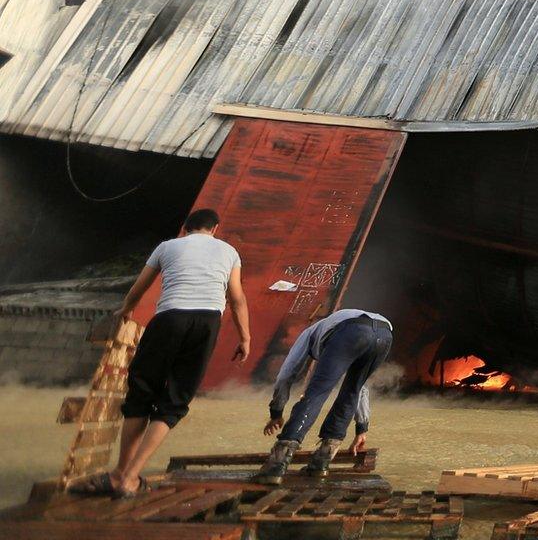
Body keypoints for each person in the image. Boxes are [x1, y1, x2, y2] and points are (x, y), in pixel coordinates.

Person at [92, 209, 250, 497]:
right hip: (207, 323)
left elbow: (139, 288)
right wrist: (245, 338)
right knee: (175, 401)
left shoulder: (167, 247)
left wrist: (125, 311)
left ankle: (120, 474)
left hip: (169, 318)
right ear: (215, 228)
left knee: (141, 393)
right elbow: (237, 299)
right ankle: (131, 476)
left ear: (185, 228)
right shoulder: (229, 252)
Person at [256, 308, 395, 483]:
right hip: (385, 334)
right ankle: (321, 462)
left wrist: (276, 411)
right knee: (352, 389)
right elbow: (360, 389)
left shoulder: (309, 334)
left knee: (317, 391)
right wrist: (362, 428)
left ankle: (277, 465)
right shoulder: (333, 325)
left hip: (352, 331)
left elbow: (286, 374)